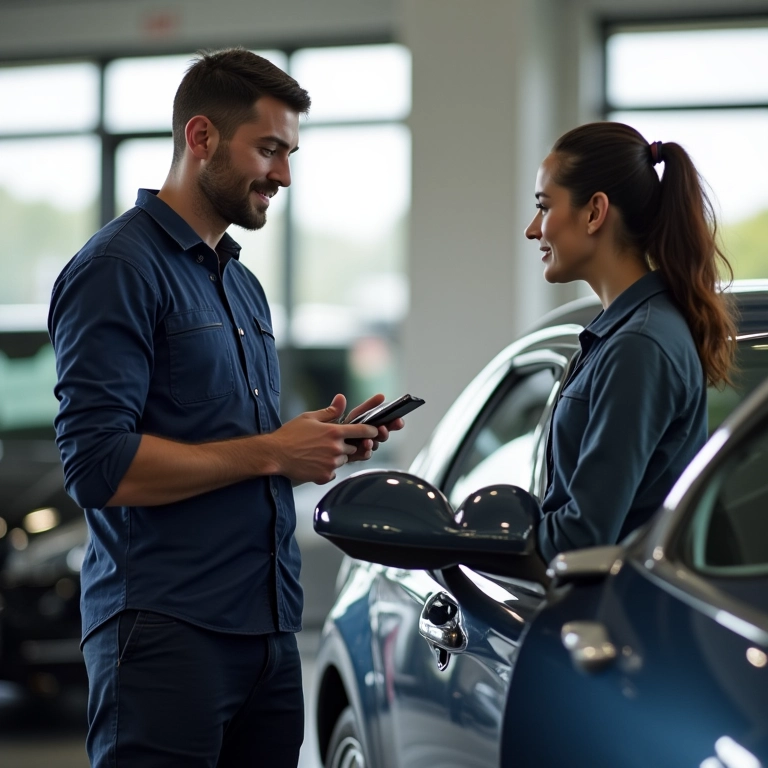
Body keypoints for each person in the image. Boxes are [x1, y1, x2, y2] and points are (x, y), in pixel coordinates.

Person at [48, 48, 403, 768]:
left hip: (268, 633)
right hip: (164, 633)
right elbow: (98, 466)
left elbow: (226, 451)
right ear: (201, 137)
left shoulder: (241, 285)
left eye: (290, 152)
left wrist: (312, 447)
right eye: (268, 149)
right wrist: (274, 451)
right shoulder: (117, 269)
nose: (284, 174)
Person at [524, 121, 736, 563]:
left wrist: (498, 542)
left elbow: (583, 536)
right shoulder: (623, 332)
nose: (533, 229)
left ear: (595, 212)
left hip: (613, 618)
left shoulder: (638, 344)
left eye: (544, 208)